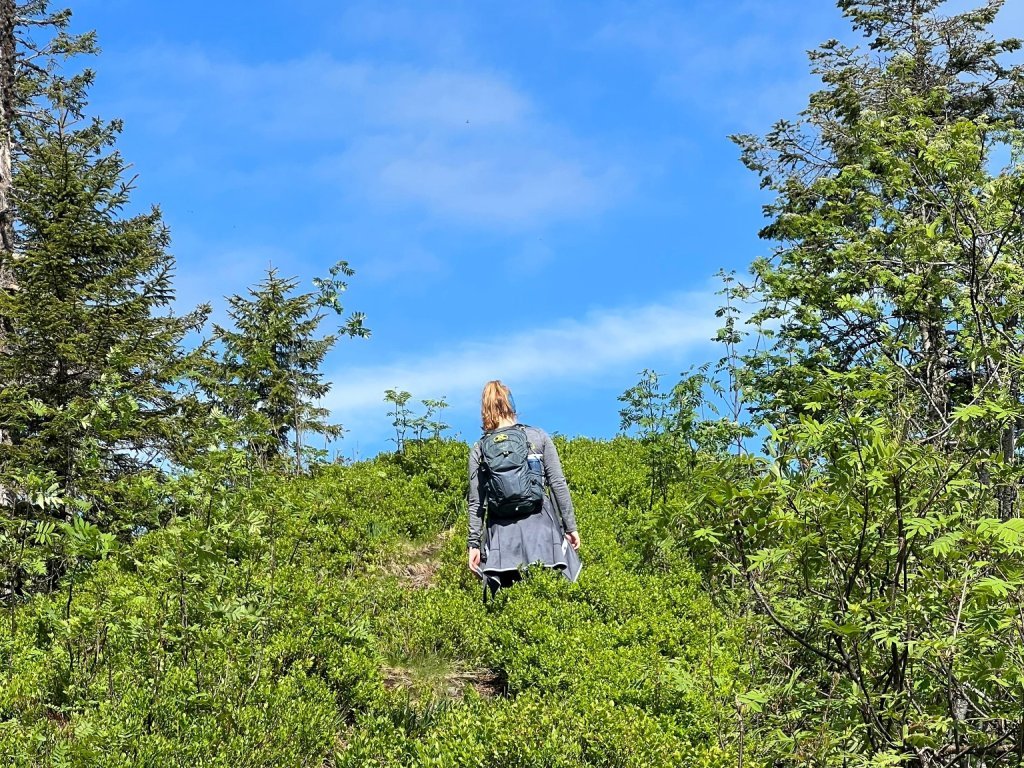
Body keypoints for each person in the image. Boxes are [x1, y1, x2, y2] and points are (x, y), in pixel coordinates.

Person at [467, 380, 581, 596]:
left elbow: (476, 503)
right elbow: (557, 483)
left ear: (485, 410)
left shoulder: (479, 449)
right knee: (550, 597)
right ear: (511, 406)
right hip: (542, 532)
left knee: (509, 602)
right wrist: (570, 527)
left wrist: (474, 544)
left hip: (503, 538)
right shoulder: (537, 437)